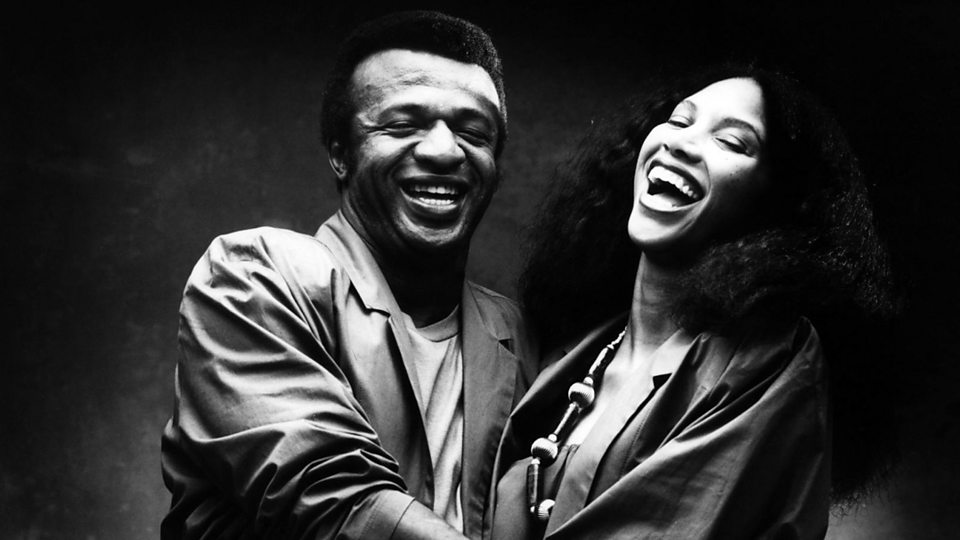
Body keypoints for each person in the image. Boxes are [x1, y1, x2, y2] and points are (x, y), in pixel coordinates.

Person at [161, 11, 537, 540]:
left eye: (473, 132)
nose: (443, 150)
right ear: (341, 154)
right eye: (402, 125)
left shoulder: (524, 335)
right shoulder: (254, 274)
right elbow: (335, 501)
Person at [486, 63, 899, 539]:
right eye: (680, 120)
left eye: (731, 142)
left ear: (775, 204)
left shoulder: (769, 357)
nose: (680, 143)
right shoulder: (575, 358)